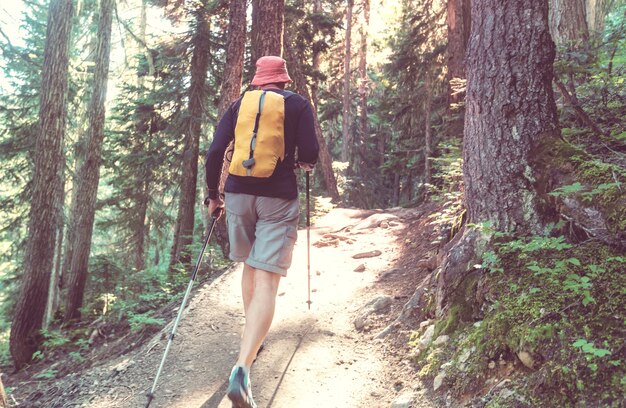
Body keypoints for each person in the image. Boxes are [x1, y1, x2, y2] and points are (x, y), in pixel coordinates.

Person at [204, 55, 319, 408]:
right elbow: (311, 151)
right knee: (267, 279)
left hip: (238, 195)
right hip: (278, 197)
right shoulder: (298, 104)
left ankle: (251, 338)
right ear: (283, 80)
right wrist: (303, 163)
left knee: (249, 268)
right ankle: (243, 366)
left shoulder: (240, 104)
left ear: (257, 81)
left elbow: (213, 154)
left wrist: (213, 196)